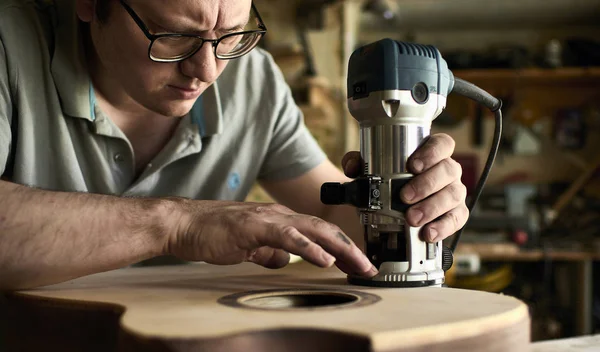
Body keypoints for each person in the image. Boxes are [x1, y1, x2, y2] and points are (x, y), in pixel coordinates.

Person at [0, 0, 468, 291]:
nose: (206, 71)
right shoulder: (8, 45)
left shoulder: (252, 78)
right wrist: (178, 224)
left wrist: (415, 205)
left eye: (231, 35)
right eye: (176, 37)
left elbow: (330, 216)